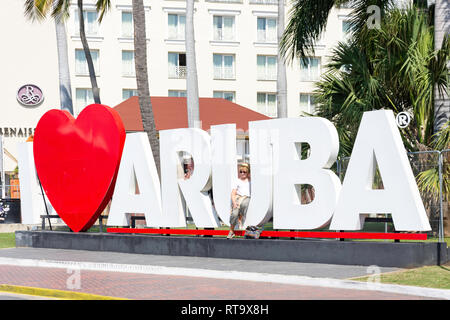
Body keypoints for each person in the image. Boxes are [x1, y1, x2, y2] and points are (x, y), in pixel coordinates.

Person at [227, 163, 251, 239]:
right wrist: (234, 203)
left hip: (247, 198)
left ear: (248, 172)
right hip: (238, 198)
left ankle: (240, 218)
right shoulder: (237, 181)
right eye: (241, 172)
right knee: (234, 214)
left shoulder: (251, 181)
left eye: (244, 172)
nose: (242, 173)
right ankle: (231, 231)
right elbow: (233, 193)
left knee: (244, 203)